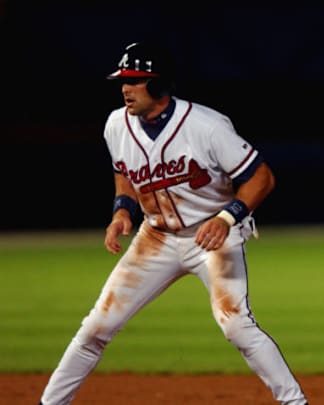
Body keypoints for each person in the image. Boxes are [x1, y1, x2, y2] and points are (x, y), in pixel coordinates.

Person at [38, 42, 309, 405]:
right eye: (124, 80)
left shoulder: (206, 126)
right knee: (95, 329)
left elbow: (261, 176)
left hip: (213, 237)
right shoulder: (117, 124)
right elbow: (125, 172)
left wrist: (228, 217)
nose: (125, 87)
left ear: (158, 84)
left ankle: (296, 402)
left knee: (237, 327)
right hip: (156, 238)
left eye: (134, 80)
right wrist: (122, 211)